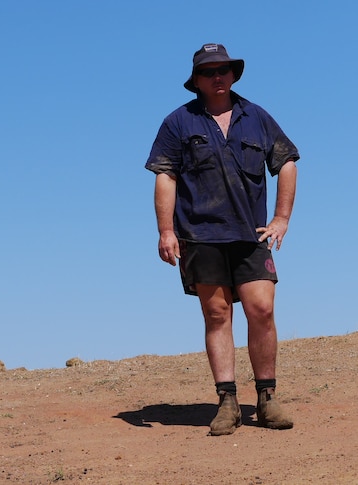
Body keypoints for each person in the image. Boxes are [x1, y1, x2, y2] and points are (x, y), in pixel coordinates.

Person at [145, 43, 298, 436]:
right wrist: (166, 230)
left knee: (261, 308)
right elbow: (166, 175)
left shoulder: (257, 117)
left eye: (224, 70)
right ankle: (227, 401)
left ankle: (267, 398)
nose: (218, 77)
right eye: (209, 71)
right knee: (217, 315)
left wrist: (281, 218)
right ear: (196, 80)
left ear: (233, 75)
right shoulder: (178, 122)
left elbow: (287, 162)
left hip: (250, 235)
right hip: (199, 235)